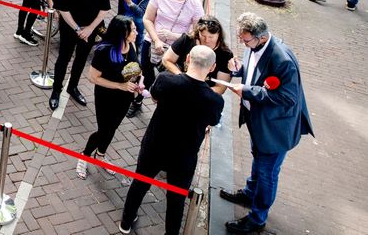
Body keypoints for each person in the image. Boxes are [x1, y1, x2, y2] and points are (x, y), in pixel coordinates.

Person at [219, 14, 313, 234]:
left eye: (245, 40)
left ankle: (258, 218)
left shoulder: (283, 60)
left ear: (261, 38)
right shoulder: (253, 46)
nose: (242, 43)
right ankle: (250, 193)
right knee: (258, 159)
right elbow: (254, 72)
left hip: (275, 129)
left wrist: (248, 91)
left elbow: (288, 98)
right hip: (258, 121)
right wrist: (239, 69)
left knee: (268, 173)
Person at [118, 45, 224, 235]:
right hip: (184, 156)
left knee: (140, 183)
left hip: (155, 145)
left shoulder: (166, 80)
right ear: (212, 67)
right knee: (176, 198)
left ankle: (126, 222)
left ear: (188, 59)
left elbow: (155, 96)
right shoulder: (214, 100)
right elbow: (213, 121)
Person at [76, 15, 141, 179]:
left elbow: (134, 68)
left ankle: (101, 155)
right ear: (122, 32)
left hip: (125, 97)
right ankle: (84, 155)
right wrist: (120, 85)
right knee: (104, 130)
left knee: (113, 128)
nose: (137, 32)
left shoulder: (130, 43)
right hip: (107, 97)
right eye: (133, 30)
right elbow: (93, 78)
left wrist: (139, 82)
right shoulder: (103, 50)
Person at [135, 0, 204, 115]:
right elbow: (147, 19)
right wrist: (156, 40)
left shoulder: (195, 4)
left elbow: (197, 32)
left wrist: (175, 36)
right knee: (146, 74)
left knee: (169, 79)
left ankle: (161, 108)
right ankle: (137, 101)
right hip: (152, 42)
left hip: (176, 49)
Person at [50, 0, 111, 111]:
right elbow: (63, 9)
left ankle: (73, 87)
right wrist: (77, 29)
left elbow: (104, 9)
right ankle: (56, 91)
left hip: (89, 31)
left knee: (81, 59)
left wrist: (90, 29)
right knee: (63, 59)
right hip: (70, 28)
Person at [162, 16, 234, 94]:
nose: (207, 40)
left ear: (219, 35)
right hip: (178, 87)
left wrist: (196, 90)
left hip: (202, 96)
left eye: (211, 37)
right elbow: (166, 59)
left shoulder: (226, 55)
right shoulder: (187, 40)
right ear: (198, 32)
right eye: (203, 36)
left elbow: (220, 88)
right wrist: (181, 77)